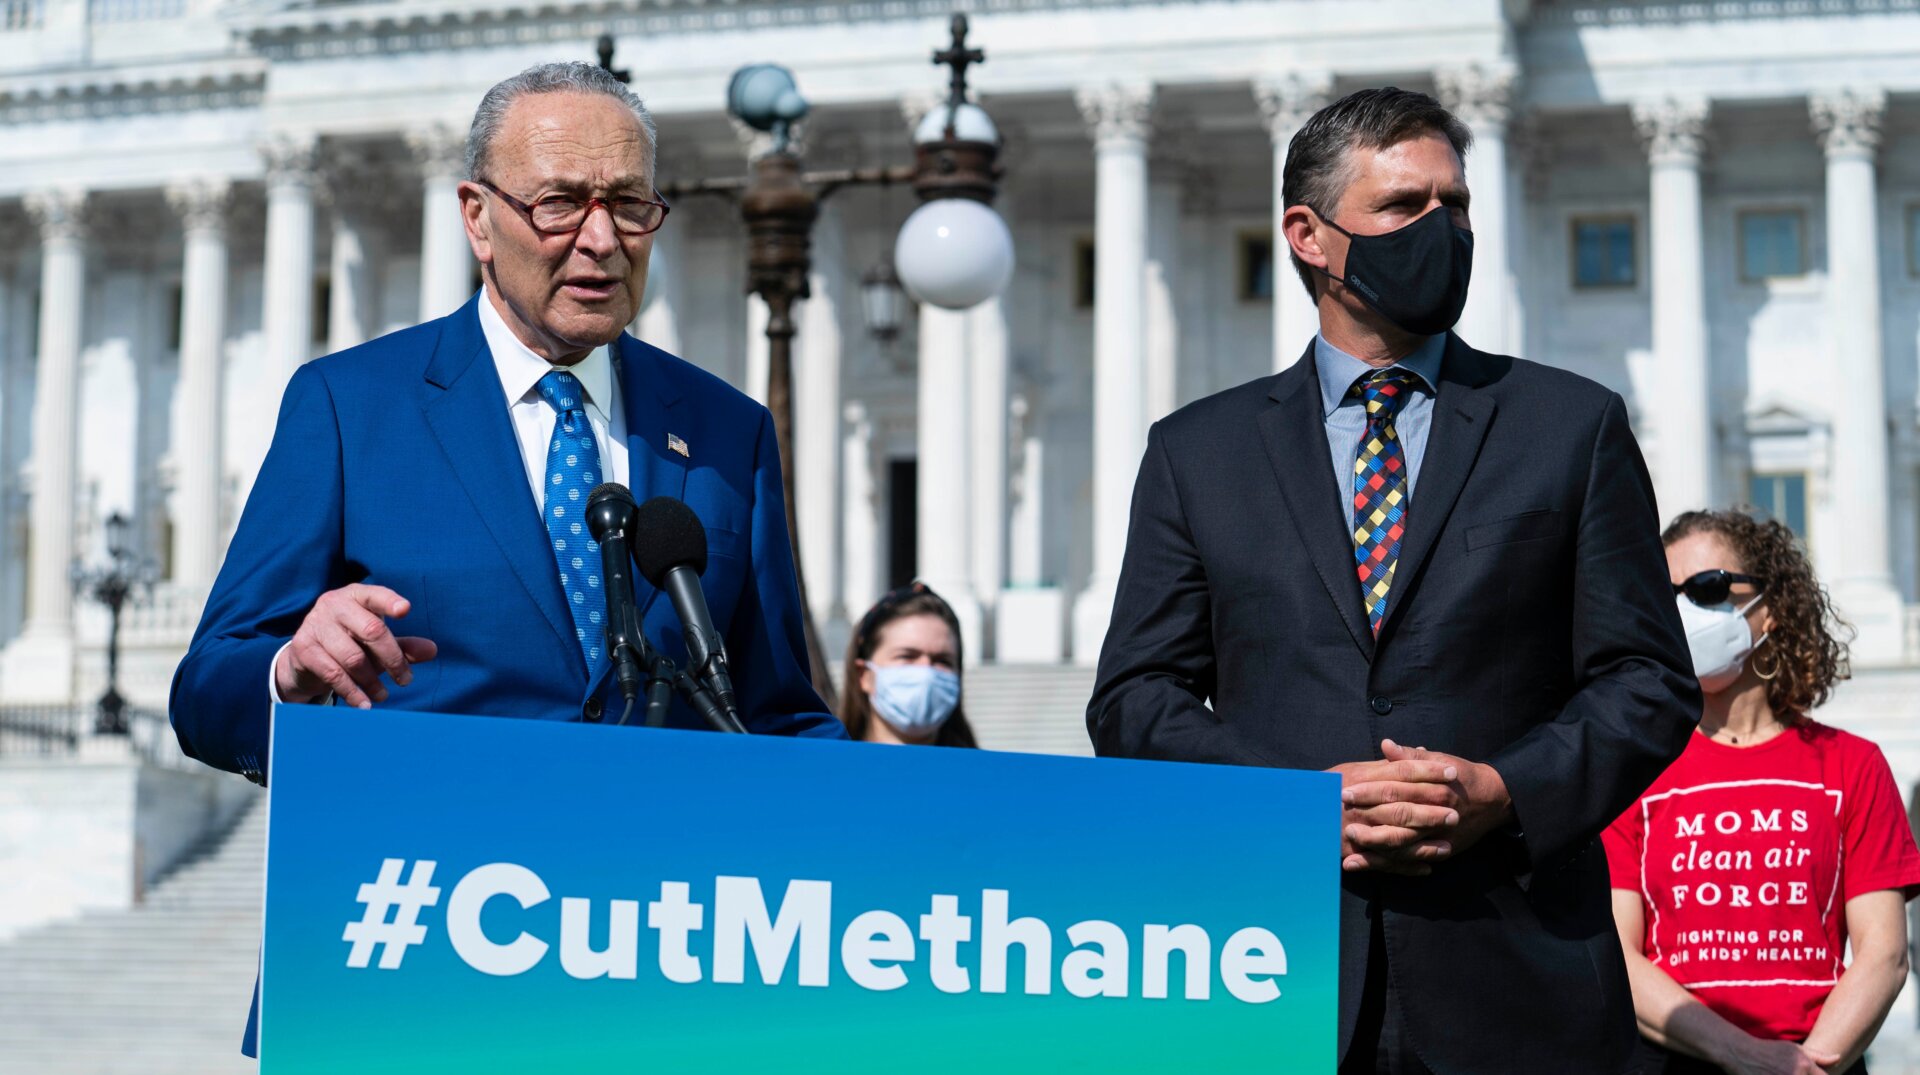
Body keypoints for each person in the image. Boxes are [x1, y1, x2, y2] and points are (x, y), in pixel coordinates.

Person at [1086, 86, 1702, 1074]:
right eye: (1404, 207)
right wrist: (1291, 803)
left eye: (1454, 206)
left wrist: (1506, 787)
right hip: (1270, 970)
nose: (1443, 230)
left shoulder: (1568, 425)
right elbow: (1134, 700)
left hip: (1516, 971)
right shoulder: (1196, 452)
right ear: (1310, 236)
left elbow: (1646, 676)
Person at [1604, 509, 1920, 1075]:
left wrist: (1804, 1065)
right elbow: (1618, 957)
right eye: (1665, 593)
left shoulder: (1853, 764)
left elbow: (1885, 954)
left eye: (1706, 588)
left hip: (1821, 1059)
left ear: (1769, 609)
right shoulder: (1632, 772)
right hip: (1675, 1063)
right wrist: (1743, 1055)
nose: (1682, 610)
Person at [838, 582, 978, 748]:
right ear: (864, 675)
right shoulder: (826, 768)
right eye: (907, 656)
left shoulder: (987, 772)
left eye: (942, 660)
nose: (926, 670)